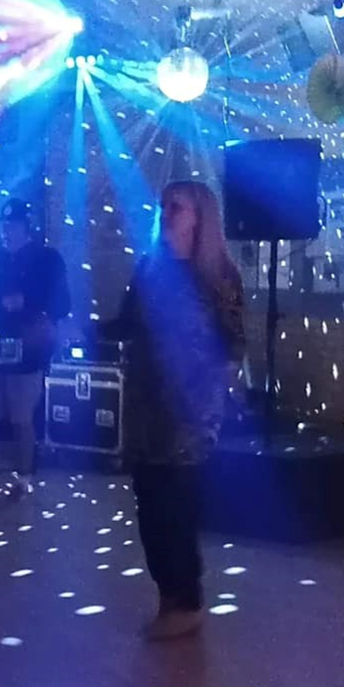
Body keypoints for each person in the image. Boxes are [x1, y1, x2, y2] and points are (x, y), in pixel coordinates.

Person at [105, 180, 245, 642]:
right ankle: (168, 594)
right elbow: (126, 324)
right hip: (147, 405)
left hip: (190, 410)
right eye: (164, 206)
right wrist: (80, 331)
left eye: (177, 207)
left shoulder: (219, 275)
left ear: (199, 217)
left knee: (176, 509)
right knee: (149, 508)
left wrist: (212, 392)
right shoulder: (150, 269)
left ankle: (188, 601)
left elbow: (233, 343)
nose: (166, 213)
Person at [0, 197, 70, 497]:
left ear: (27, 226)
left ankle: (23, 478)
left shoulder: (48, 259)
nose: (6, 230)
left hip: (28, 349)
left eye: (12, 225)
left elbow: (63, 303)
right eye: (3, 225)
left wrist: (26, 302)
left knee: (20, 417)